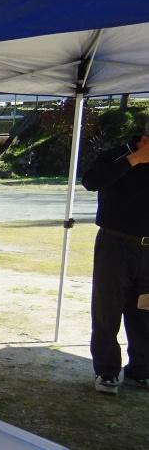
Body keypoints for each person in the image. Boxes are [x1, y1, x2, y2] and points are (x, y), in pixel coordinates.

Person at [80, 131, 149, 395]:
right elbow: (91, 181)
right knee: (107, 310)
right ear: (143, 139)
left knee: (144, 311)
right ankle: (107, 372)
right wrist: (134, 160)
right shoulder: (116, 155)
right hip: (115, 244)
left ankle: (141, 370)